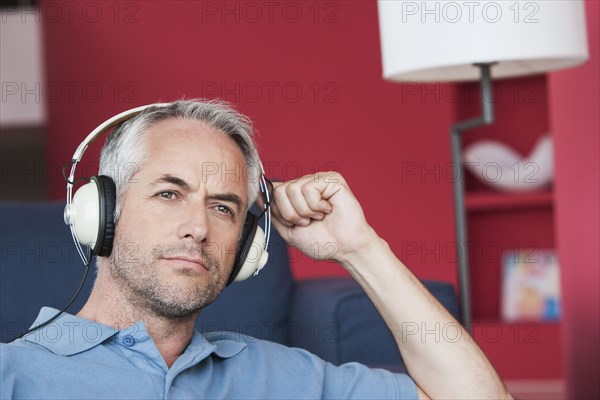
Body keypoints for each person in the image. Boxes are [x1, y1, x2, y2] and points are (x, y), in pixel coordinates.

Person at [0, 100, 512, 399]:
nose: (197, 228)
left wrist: (360, 248)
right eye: (169, 193)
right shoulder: (15, 374)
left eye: (223, 207)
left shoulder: (278, 375)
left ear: (246, 247)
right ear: (101, 212)